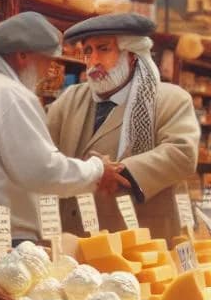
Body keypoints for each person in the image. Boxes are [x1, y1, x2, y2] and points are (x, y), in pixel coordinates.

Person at [0, 12, 129, 250]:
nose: (47, 72)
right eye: (46, 61)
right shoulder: (9, 94)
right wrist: (97, 170)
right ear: (22, 55)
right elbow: (42, 170)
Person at [47, 13, 199, 239]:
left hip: (140, 240)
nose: (93, 60)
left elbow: (182, 153)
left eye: (103, 49)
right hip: (72, 237)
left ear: (133, 55)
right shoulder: (70, 99)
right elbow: (41, 148)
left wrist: (122, 171)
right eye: (88, 51)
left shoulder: (170, 99)